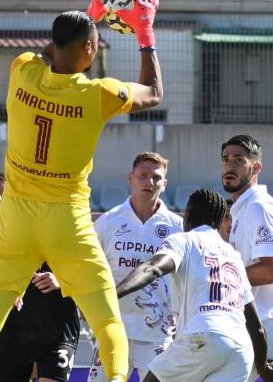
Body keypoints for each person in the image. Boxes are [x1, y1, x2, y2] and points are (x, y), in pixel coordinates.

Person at [0, 0, 165, 382]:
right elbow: (153, 92)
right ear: (90, 49)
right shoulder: (97, 94)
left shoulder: (22, 70)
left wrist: (89, 15)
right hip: (67, 222)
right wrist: (145, 31)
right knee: (107, 323)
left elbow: (51, 51)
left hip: (16, 220)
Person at [116, 189, 273, 382]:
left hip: (204, 335)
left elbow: (152, 268)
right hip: (241, 351)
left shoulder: (183, 240)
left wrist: (114, 294)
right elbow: (256, 326)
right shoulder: (233, 256)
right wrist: (263, 366)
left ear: (187, 216)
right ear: (220, 222)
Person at [89, 152, 183, 381]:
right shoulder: (107, 222)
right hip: (112, 328)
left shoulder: (178, 227)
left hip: (158, 334)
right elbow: (90, 268)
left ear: (165, 184)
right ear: (130, 178)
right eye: (143, 175)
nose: (149, 182)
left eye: (156, 177)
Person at [0, 170, 82, 382]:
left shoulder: (66, 223)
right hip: (15, 329)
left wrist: (60, 279)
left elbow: (88, 269)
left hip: (57, 326)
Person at [219, 135, 273, 373]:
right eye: (225, 159)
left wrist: (219, 281)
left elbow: (272, 270)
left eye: (238, 160)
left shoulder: (258, 207)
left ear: (257, 167)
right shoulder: (242, 208)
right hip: (250, 323)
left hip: (264, 323)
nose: (230, 165)